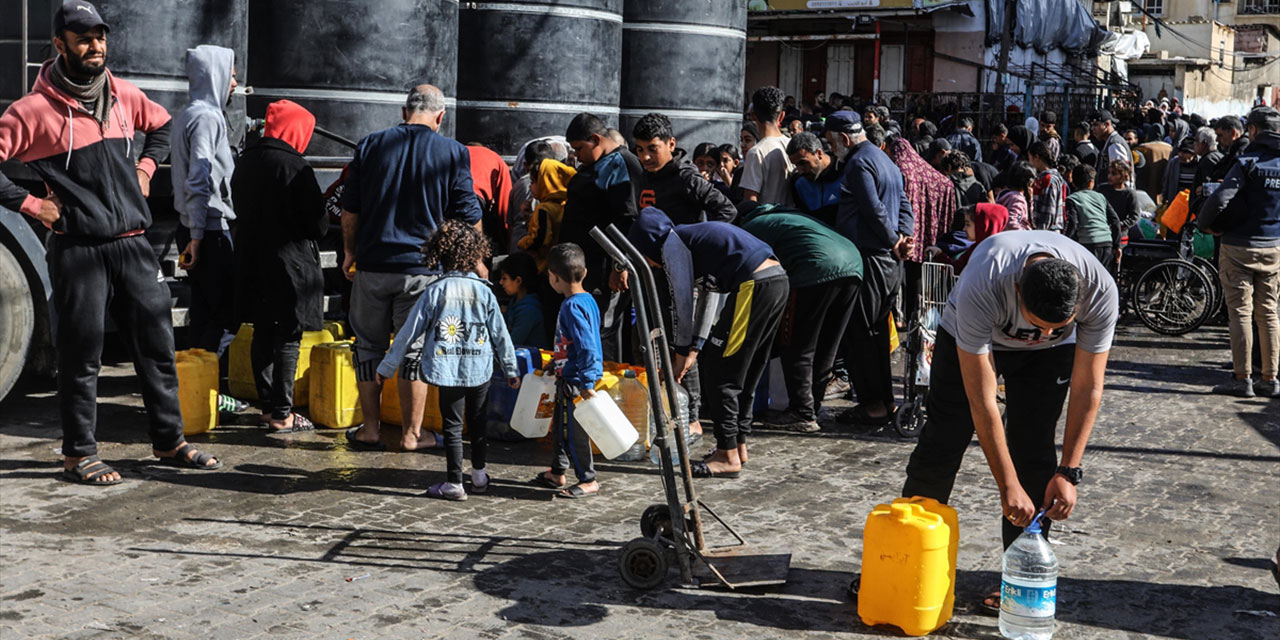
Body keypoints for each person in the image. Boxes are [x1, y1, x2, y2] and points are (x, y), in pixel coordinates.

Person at [0, 0, 220, 484]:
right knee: (82, 355)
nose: (95, 45)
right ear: (59, 45)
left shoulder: (122, 94)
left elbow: (162, 126)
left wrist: (144, 169)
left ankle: (170, 441)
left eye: (100, 36)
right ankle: (79, 453)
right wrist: (32, 206)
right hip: (80, 249)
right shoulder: (32, 111)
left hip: (134, 244)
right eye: (83, 38)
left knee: (157, 348)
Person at [901, 231, 1118, 612]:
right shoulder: (983, 282)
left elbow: (1088, 387)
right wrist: (1006, 485)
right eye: (1039, 325)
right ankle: (907, 561)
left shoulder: (1100, 290)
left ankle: (1021, 576)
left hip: (1047, 362)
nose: (1045, 334)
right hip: (970, 339)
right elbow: (981, 400)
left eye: (1058, 326)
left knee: (1034, 449)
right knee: (943, 440)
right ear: (1017, 291)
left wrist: (1069, 471)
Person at [341, 85, 483, 453]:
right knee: (414, 352)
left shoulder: (370, 145)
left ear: (405, 113)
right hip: (423, 271)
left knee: (368, 347)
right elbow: (468, 214)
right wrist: (477, 262)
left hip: (372, 266)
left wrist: (349, 252)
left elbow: (350, 207)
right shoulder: (452, 152)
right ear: (440, 117)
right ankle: (411, 434)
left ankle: (370, 429)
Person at [627, 207, 788, 478]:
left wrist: (680, 353)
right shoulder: (693, 240)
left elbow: (683, 303)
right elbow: (707, 296)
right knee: (743, 372)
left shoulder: (672, 245)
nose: (650, 265)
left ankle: (727, 456)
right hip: (775, 280)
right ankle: (738, 445)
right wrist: (694, 347)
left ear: (647, 244)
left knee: (721, 371)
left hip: (754, 284)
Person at [377, 221, 520, 500]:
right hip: (481, 368)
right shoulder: (485, 291)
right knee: (478, 422)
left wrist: (387, 366)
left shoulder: (435, 291)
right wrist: (511, 368)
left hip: (447, 368)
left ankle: (454, 482)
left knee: (452, 426)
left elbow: (408, 332)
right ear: (475, 254)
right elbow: (500, 334)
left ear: (439, 254)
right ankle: (479, 475)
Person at [230, 100, 328, 432]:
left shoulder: (246, 161)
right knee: (288, 334)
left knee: (262, 329)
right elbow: (317, 224)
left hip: (250, 256)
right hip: (289, 263)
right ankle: (283, 414)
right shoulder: (294, 166)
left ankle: (268, 406)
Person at [740, 203, 862, 433]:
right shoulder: (788, 217)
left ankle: (802, 412)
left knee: (797, 344)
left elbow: (753, 276)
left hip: (816, 268)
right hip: (853, 265)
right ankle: (812, 407)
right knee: (827, 345)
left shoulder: (752, 227)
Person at [830, 112, 915, 427]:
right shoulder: (885, 160)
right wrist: (904, 239)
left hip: (870, 258)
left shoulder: (858, 163)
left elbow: (872, 208)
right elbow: (905, 206)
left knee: (862, 334)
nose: (831, 148)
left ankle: (874, 405)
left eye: (831, 141)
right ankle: (884, 402)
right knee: (877, 332)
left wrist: (895, 240)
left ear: (844, 139)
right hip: (888, 262)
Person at [1197, 106, 1280, 399]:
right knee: (1269, 313)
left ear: (1254, 131)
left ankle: (1242, 378)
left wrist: (1205, 226)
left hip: (1238, 246)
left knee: (1241, 313)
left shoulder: (1247, 162)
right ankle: (1270, 378)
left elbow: (1220, 198)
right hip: (1273, 247)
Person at [560, 112, 643, 362]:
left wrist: (620, 266)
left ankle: (606, 387)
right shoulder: (596, 165)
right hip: (588, 266)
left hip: (608, 267)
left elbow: (627, 220)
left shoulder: (622, 164)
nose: (576, 156)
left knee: (604, 328)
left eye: (579, 149)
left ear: (596, 139)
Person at [171, 44, 238, 353]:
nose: (235, 84)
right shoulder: (207, 118)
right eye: (231, 76)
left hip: (193, 225)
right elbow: (199, 178)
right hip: (209, 229)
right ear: (216, 75)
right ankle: (215, 389)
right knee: (225, 313)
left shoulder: (186, 114)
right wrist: (197, 237)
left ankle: (197, 388)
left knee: (203, 310)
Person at [533, 243, 605, 498]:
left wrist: (585, 382)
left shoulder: (571, 307)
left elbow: (586, 346)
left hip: (576, 380)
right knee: (560, 428)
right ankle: (557, 471)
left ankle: (588, 479)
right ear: (584, 273)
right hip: (570, 375)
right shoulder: (588, 301)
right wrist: (557, 362)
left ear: (553, 277)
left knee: (574, 432)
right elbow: (576, 344)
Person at [632, 112, 736, 224]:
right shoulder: (644, 175)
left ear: (671, 144)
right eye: (640, 150)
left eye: (652, 149)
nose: (645, 157)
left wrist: (698, 237)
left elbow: (727, 211)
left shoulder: (687, 178)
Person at [517, 157, 576, 270]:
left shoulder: (543, 209)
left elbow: (541, 237)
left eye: (533, 182)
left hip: (543, 265)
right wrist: (529, 216)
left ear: (546, 183)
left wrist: (523, 243)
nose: (530, 186)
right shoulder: (565, 205)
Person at [1064, 165, 1123, 275]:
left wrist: (1064, 242)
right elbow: (1115, 221)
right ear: (1091, 182)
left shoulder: (1072, 199)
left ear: (1073, 182)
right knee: (1104, 279)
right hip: (1107, 243)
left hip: (1088, 244)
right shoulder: (1101, 197)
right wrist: (1117, 245)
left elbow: (1072, 224)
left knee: (1088, 279)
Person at [741, 87, 795, 205]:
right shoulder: (792, 145)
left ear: (753, 116)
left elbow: (750, 200)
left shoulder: (756, 152)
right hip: (793, 219)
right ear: (781, 116)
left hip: (767, 221)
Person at [929, 203, 1010, 274]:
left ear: (982, 226)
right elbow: (956, 269)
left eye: (968, 224)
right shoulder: (974, 249)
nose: (964, 229)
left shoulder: (1000, 253)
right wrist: (939, 254)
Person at [495, 252, 550, 349]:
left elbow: (511, 343)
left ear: (518, 281)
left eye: (504, 278)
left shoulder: (529, 310)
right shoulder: (515, 302)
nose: (500, 282)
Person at [787, 130, 842, 225]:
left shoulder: (846, 173)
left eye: (803, 163)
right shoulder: (798, 183)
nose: (800, 171)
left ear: (819, 154)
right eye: (796, 165)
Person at [467, 143, 513, 253]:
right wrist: (506, 240)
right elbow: (504, 205)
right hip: (478, 202)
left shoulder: (454, 152)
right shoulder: (496, 159)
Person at [1028, 142, 1067, 232]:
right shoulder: (1044, 178)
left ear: (1036, 157)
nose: (1029, 161)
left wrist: (1041, 231)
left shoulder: (1048, 179)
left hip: (1048, 232)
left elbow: (1049, 209)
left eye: (1030, 158)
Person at [1094, 160, 1141, 236]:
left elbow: (1134, 216)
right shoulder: (1102, 189)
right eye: (1109, 173)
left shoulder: (1129, 194)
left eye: (1114, 174)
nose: (1109, 176)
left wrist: (1119, 225)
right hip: (1101, 231)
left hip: (1120, 234)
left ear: (1123, 176)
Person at [1091, 109, 1133, 189]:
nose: (1093, 128)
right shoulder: (1109, 142)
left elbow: (1121, 175)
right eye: (1092, 125)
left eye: (1096, 125)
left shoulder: (1114, 144)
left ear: (1107, 124)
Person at [995, 161, 1035, 230]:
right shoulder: (1018, 199)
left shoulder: (1004, 193)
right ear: (1029, 183)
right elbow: (1012, 223)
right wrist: (1024, 234)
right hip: (1017, 238)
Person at [1162, 137, 1200, 204]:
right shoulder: (1174, 163)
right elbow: (1167, 182)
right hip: (1176, 202)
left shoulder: (1200, 164)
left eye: (1185, 152)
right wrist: (1164, 200)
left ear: (1194, 154)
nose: (1181, 155)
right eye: (1180, 151)